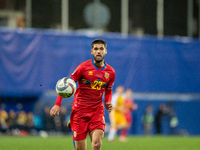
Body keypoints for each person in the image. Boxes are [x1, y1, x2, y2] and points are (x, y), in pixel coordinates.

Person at [50, 39, 115, 150]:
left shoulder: (111, 72)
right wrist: (57, 104)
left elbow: (108, 91)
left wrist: (108, 102)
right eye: (96, 49)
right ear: (91, 51)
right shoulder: (83, 67)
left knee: (97, 143)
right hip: (80, 111)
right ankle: (74, 120)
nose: (98, 51)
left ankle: (75, 123)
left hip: (97, 111)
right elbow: (65, 85)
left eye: (101, 49)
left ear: (105, 51)